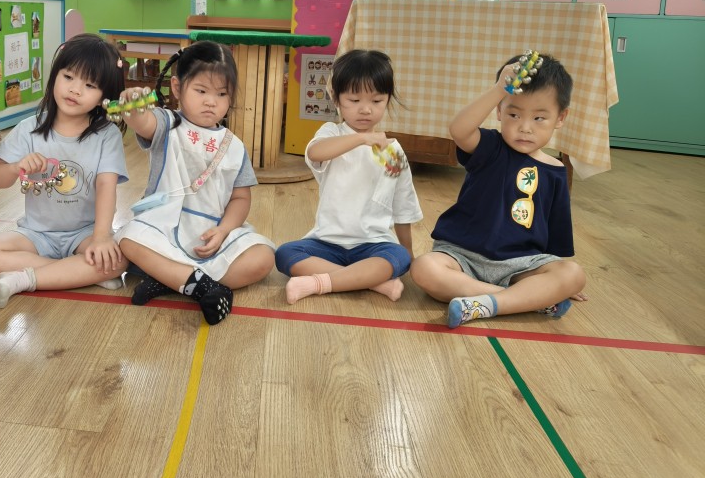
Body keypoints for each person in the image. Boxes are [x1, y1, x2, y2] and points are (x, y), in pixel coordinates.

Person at [410, 52, 587, 328]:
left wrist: (558, 283)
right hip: (462, 256)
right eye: (514, 114)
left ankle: (487, 303)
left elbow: (556, 237)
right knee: (424, 269)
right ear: (499, 111)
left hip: (520, 265)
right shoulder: (490, 147)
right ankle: (520, 300)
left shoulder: (555, 171)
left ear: (560, 117)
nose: (525, 128)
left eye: (539, 118)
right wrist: (498, 90)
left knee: (573, 274)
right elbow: (459, 130)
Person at [115, 41, 275, 325]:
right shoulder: (167, 124)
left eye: (222, 94)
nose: (211, 101)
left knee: (263, 258)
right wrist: (133, 105)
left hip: (211, 233)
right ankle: (197, 284)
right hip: (164, 227)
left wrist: (224, 230)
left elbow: (241, 198)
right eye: (201, 91)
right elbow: (142, 122)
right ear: (177, 88)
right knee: (127, 238)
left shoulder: (235, 146)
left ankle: (174, 279)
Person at [0, 33, 128, 307]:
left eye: (89, 85)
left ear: (104, 96)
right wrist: (17, 167)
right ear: (55, 75)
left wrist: (102, 237)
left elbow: (106, 186)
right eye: (68, 77)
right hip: (36, 234)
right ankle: (77, 273)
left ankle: (24, 279)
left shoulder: (107, 135)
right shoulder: (29, 128)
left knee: (120, 258)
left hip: (86, 233)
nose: (75, 89)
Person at [275, 50, 422, 305]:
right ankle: (370, 281)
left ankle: (319, 282)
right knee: (285, 254)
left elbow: (403, 206)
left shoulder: (393, 151)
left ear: (387, 99)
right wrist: (363, 138)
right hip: (326, 243)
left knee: (397, 257)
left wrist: (408, 253)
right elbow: (315, 152)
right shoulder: (331, 133)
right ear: (336, 98)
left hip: (373, 245)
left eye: (377, 100)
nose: (365, 109)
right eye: (354, 100)